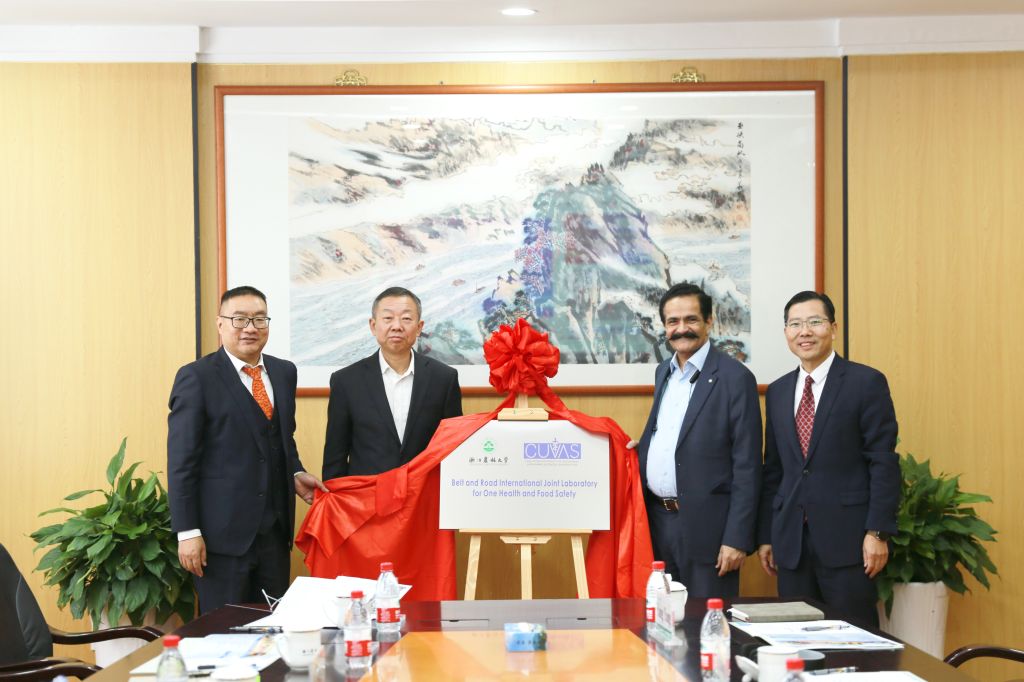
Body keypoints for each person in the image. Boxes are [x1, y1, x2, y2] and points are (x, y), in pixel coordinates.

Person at [167, 285, 327, 614]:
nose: (250, 328)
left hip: (274, 535)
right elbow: (181, 462)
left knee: (273, 628)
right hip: (220, 540)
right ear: (220, 324)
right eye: (239, 319)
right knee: (222, 631)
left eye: (259, 319)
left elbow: (283, 437)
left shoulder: (284, 372)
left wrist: (295, 472)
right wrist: (187, 532)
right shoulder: (197, 378)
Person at [757, 291, 899, 627]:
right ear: (786, 332)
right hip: (792, 545)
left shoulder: (866, 382)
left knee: (853, 639)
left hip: (849, 543)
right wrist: (766, 535)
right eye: (795, 324)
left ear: (833, 328)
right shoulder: (777, 391)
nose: (804, 331)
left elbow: (883, 462)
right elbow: (773, 470)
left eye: (814, 322)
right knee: (796, 638)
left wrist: (878, 532)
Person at [635, 282, 762, 597]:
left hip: (710, 531)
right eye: (673, 321)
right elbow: (672, 435)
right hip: (659, 523)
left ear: (709, 321)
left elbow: (747, 465)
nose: (682, 329)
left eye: (691, 319)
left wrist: (737, 538)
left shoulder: (736, 378)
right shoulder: (663, 372)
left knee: (708, 621)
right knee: (663, 619)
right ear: (664, 327)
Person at [322, 286, 462, 480]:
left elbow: (452, 448)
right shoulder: (345, 381)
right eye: (388, 318)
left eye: (406, 318)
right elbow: (335, 457)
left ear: (419, 327)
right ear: (373, 326)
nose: (397, 326)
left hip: (424, 492)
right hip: (367, 495)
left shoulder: (444, 378)